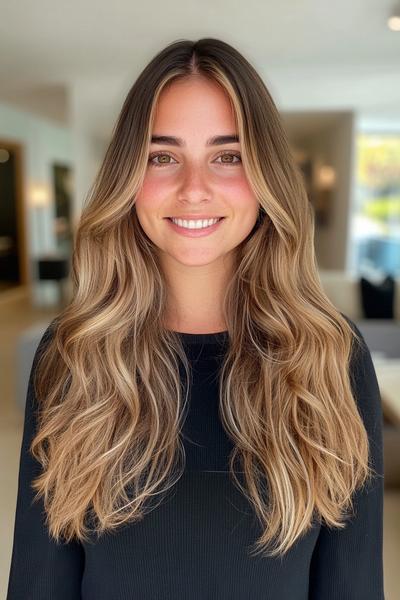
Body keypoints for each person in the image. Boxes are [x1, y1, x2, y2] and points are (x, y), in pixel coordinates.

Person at [7, 38, 385, 599]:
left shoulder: (330, 353)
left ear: (265, 178)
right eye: (163, 156)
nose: (194, 188)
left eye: (227, 156)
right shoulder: (74, 353)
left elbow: (351, 582)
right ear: (128, 177)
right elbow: (41, 578)